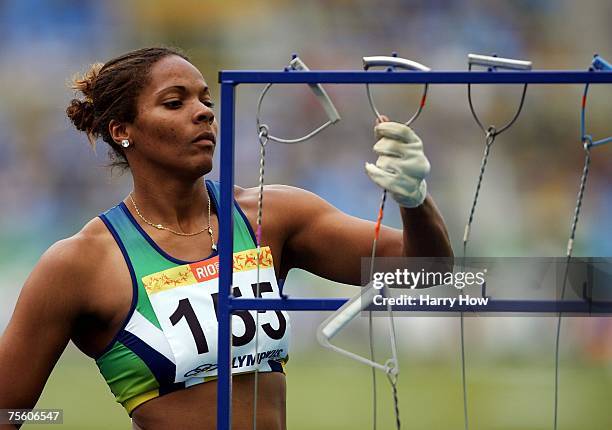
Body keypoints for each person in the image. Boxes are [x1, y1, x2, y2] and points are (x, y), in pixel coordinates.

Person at [0, 47, 452, 430]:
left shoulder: (273, 217)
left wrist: (413, 198)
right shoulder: (81, 264)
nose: (204, 112)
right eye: (174, 103)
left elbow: (428, 273)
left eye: (205, 99)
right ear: (123, 131)